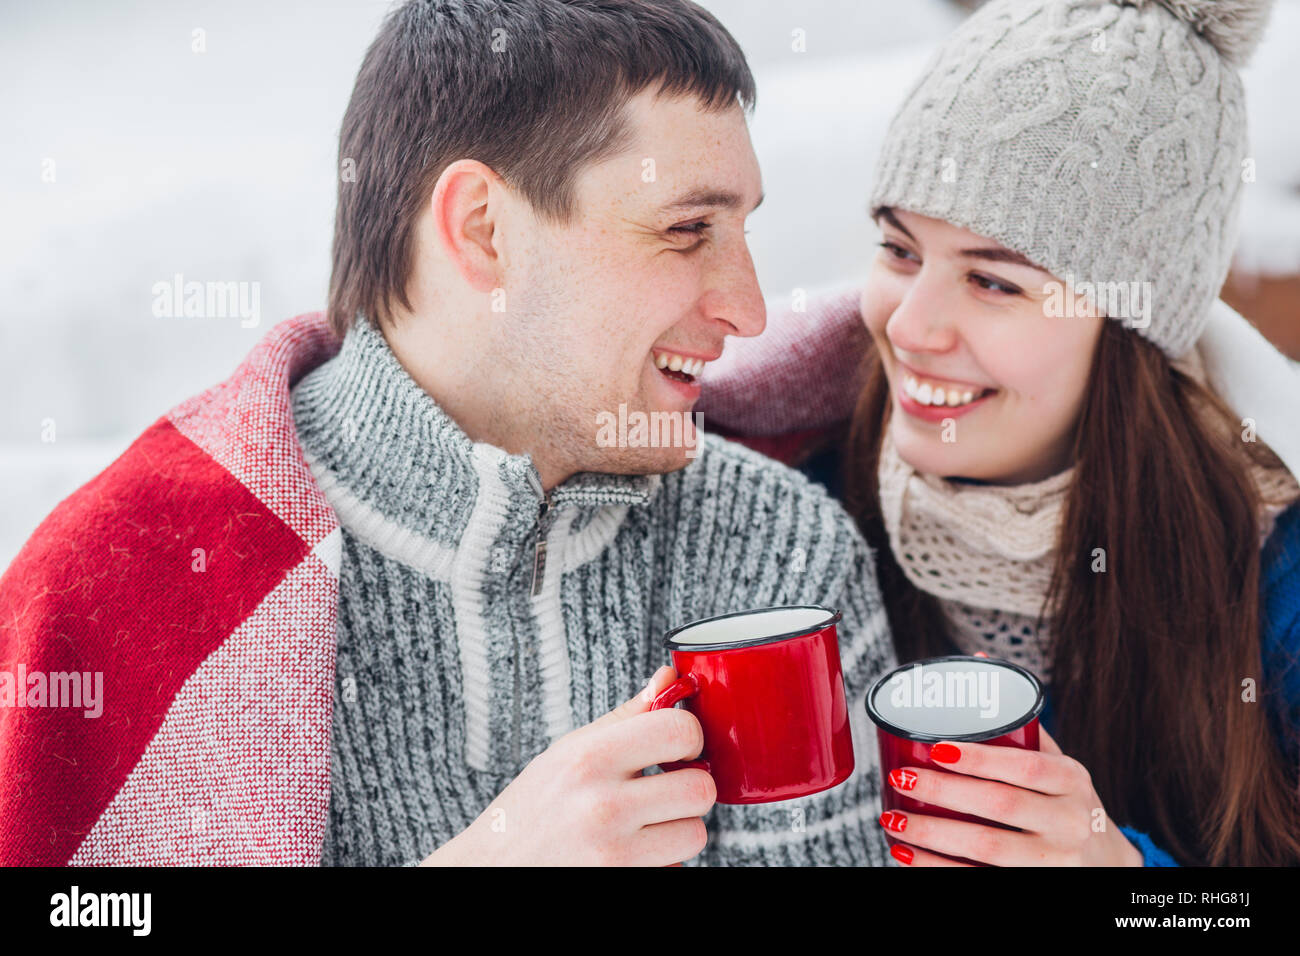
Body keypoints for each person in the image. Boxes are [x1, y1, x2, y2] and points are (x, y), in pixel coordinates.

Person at [0, 0, 897, 867]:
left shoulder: (778, 558)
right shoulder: (117, 586)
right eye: (687, 229)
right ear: (482, 230)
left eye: (741, 231)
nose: (746, 308)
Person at [700, 0, 1300, 866]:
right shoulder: (793, 509)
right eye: (900, 251)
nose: (911, 327)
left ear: (1130, 329)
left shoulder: (1269, 581)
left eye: (994, 282)